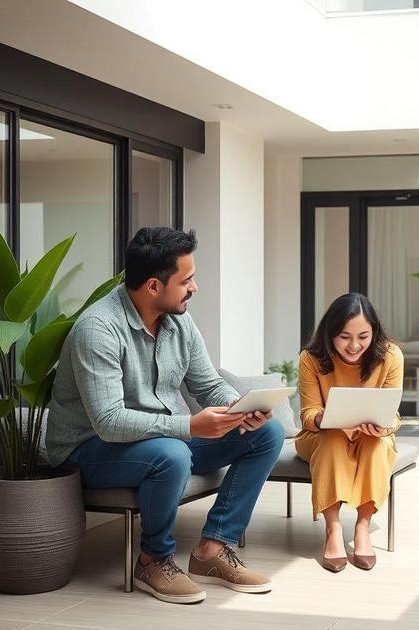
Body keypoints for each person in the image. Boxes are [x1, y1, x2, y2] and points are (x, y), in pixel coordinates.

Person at [46, 227, 284, 604]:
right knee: (171, 454)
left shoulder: (179, 321)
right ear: (154, 286)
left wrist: (240, 410)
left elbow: (207, 384)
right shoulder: (98, 330)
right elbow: (108, 421)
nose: (195, 287)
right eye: (186, 280)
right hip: (90, 448)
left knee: (266, 435)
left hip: (167, 439)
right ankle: (152, 560)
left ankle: (213, 549)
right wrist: (189, 426)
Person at [295, 293, 403, 573]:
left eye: (363, 336)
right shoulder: (311, 358)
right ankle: (333, 529)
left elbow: (393, 414)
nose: (354, 346)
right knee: (332, 438)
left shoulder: (390, 357)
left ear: (374, 332)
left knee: (375, 443)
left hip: (370, 437)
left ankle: (362, 527)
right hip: (321, 437)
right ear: (330, 333)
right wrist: (325, 418)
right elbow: (307, 414)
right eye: (344, 337)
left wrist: (385, 426)